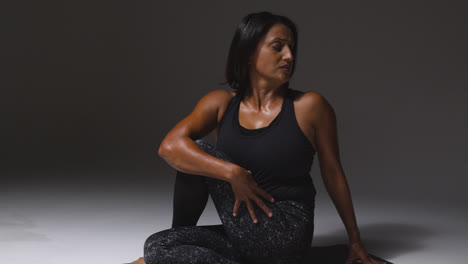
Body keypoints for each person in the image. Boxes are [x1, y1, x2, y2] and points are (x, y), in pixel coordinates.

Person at [130, 11, 387, 264]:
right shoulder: (221, 104)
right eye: (278, 47)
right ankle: (178, 248)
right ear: (249, 53)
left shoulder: (310, 106)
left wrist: (355, 239)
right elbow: (169, 147)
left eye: (291, 49)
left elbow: (333, 173)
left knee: (198, 150)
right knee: (159, 244)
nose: (289, 56)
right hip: (246, 229)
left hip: (286, 232)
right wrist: (233, 173)